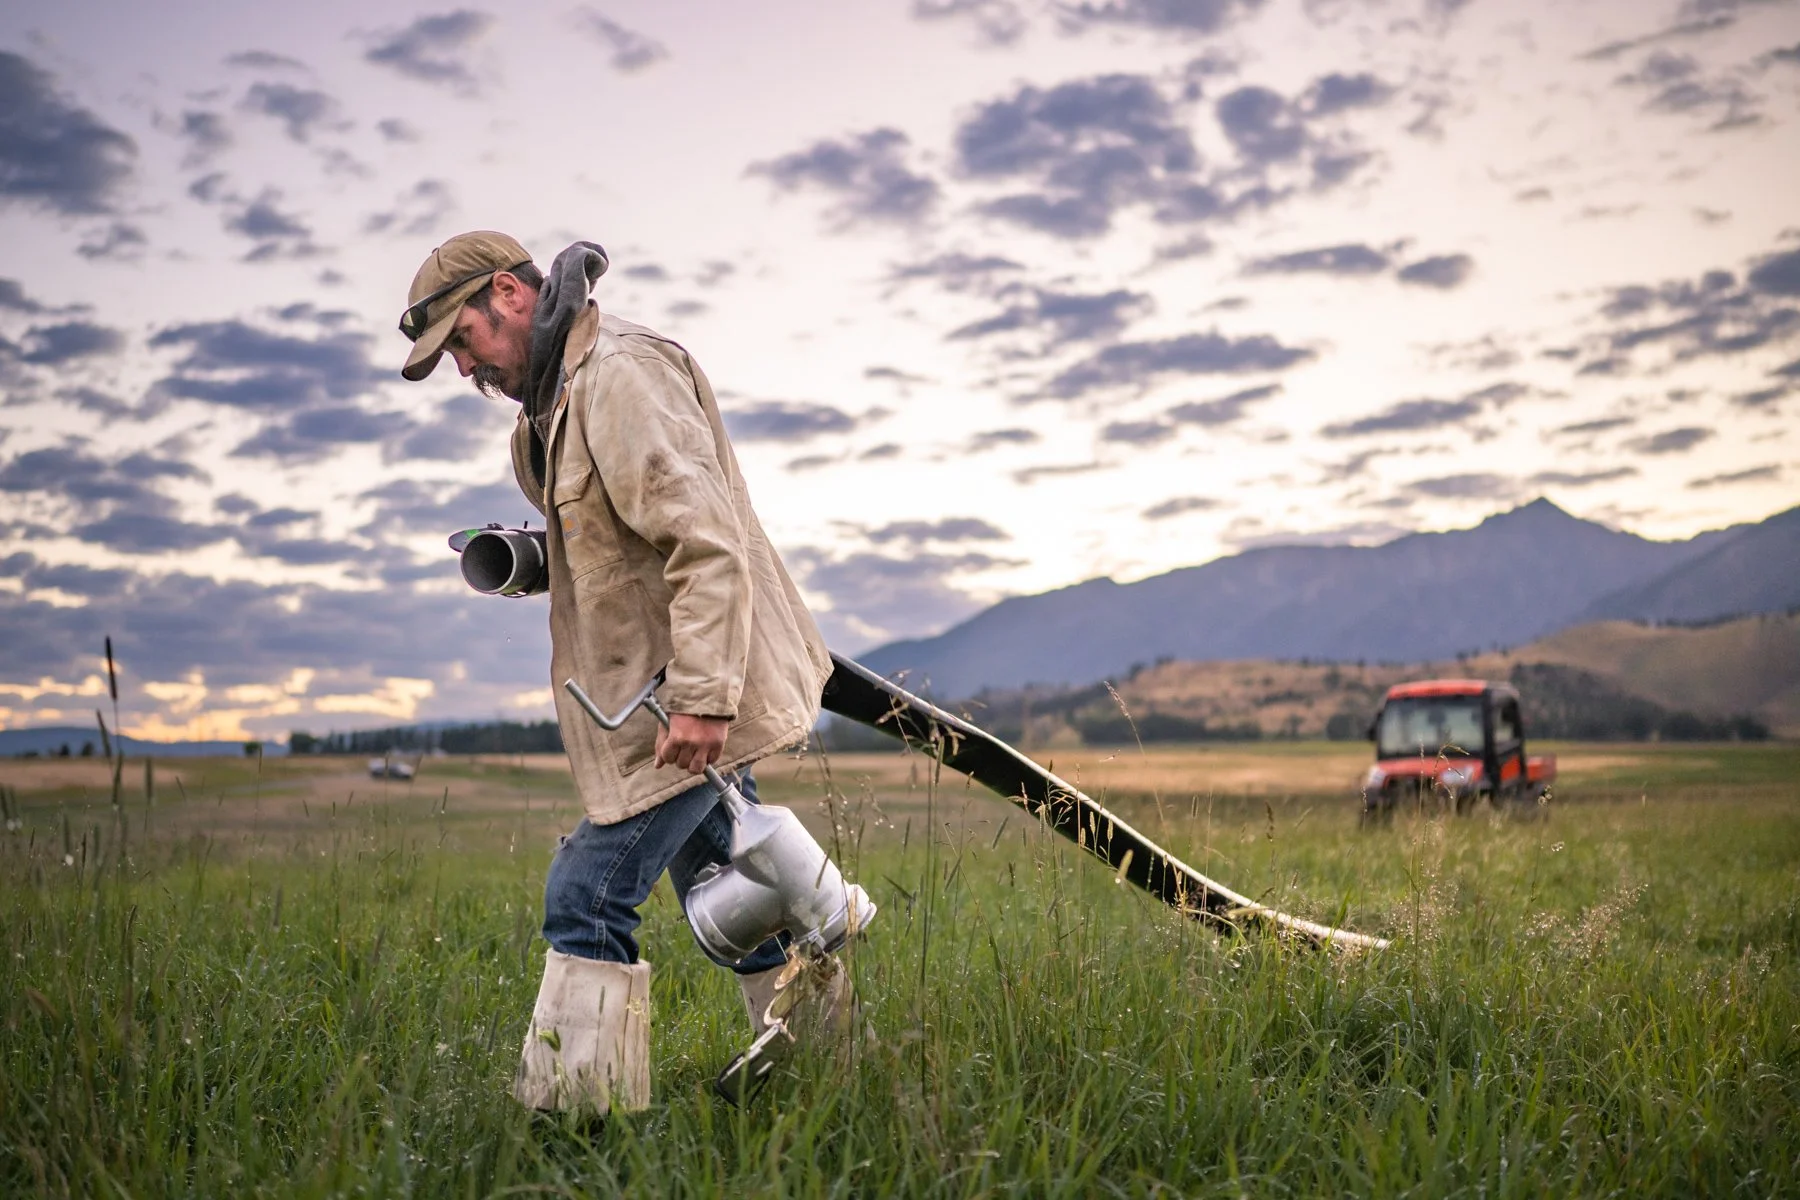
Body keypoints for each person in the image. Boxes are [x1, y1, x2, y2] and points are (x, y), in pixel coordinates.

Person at [397, 231, 846, 1115]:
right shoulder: (556, 403)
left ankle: (574, 1128)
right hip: (651, 701)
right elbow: (627, 540)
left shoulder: (618, 375)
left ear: (509, 294)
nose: (463, 368)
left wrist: (706, 699)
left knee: (584, 896)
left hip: (676, 703)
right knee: (742, 895)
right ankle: (821, 1076)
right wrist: (537, 556)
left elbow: (703, 541)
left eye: (463, 339)